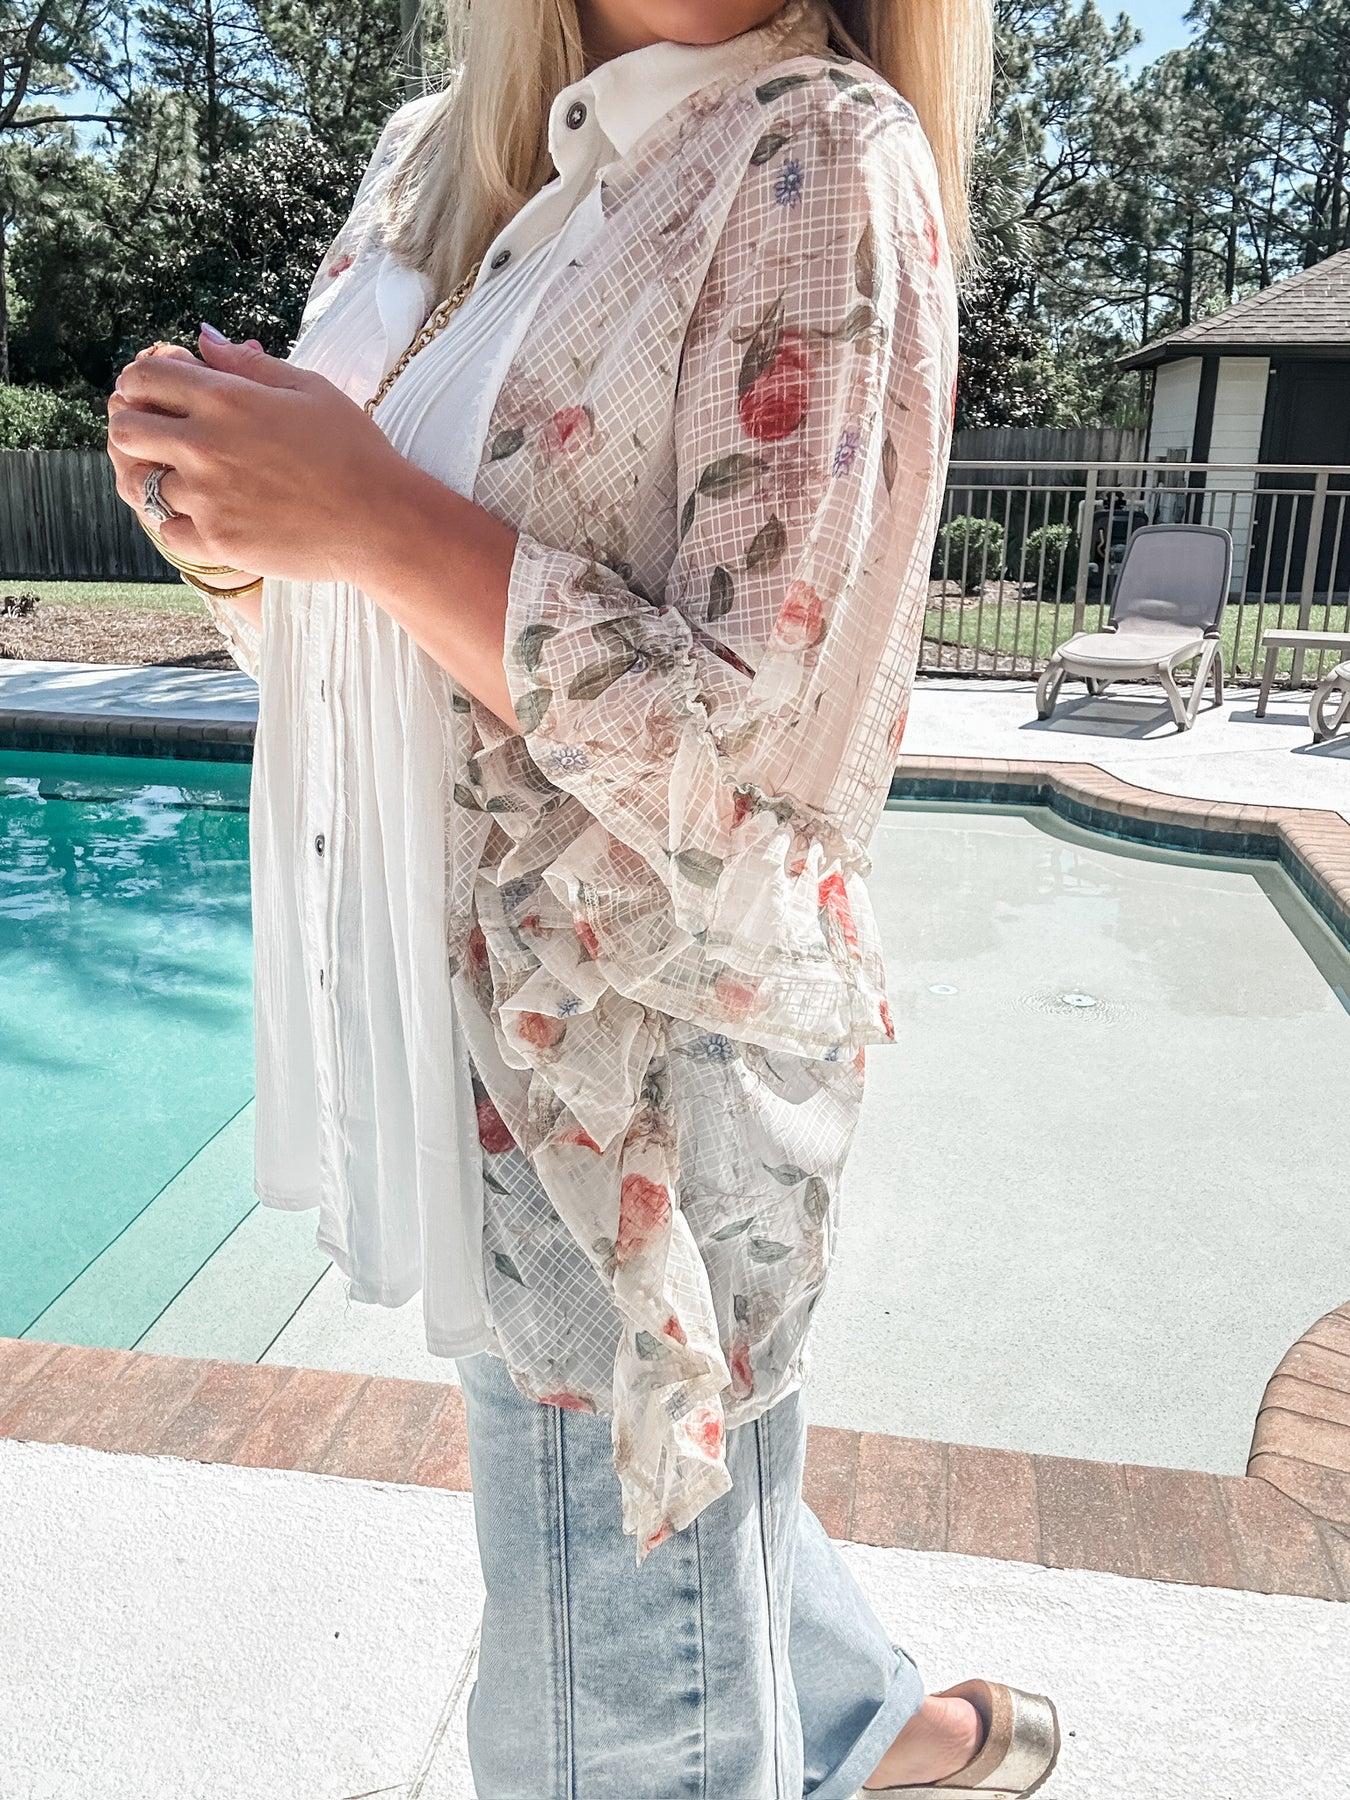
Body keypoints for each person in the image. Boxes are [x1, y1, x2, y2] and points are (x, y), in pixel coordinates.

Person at [107, 2, 1060, 1794]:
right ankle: (882, 1731)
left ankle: (852, 1732)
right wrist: (243, 538)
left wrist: (369, 516)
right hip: (453, 996)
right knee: (666, 1510)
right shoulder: (429, 164)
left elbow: (753, 771)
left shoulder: (814, 154)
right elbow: (356, 642)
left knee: (608, 1704)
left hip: (628, 1072)